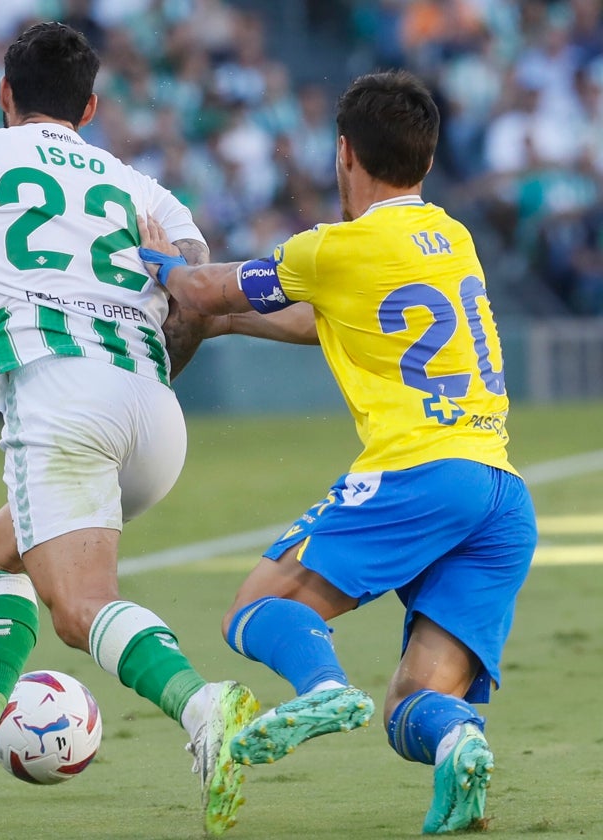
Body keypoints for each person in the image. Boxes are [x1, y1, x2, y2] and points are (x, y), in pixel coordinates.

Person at [0, 22, 263, 835]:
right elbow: (198, 299)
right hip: (155, 413)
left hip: (60, 397)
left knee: (79, 611)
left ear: (5, 95)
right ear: (91, 105)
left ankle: (203, 704)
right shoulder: (144, 189)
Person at [136, 69, 537, 834]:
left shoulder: (335, 248)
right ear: (425, 160)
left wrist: (165, 266)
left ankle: (320, 687)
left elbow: (207, 288)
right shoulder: (451, 236)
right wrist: (227, 321)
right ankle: (459, 744)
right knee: (416, 704)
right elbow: (328, 318)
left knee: (257, 609)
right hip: (500, 492)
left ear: (343, 153)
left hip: (419, 472)